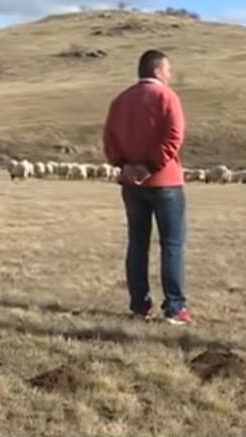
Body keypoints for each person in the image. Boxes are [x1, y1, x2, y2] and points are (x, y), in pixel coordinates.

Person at [102, 49, 192, 325]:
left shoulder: (120, 101)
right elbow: (174, 135)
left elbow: (109, 139)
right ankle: (175, 308)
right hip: (165, 183)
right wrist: (150, 166)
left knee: (137, 244)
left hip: (132, 185)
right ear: (156, 71)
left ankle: (140, 305)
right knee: (172, 245)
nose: (170, 75)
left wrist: (125, 166)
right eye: (167, 69)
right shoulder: (167, 97)